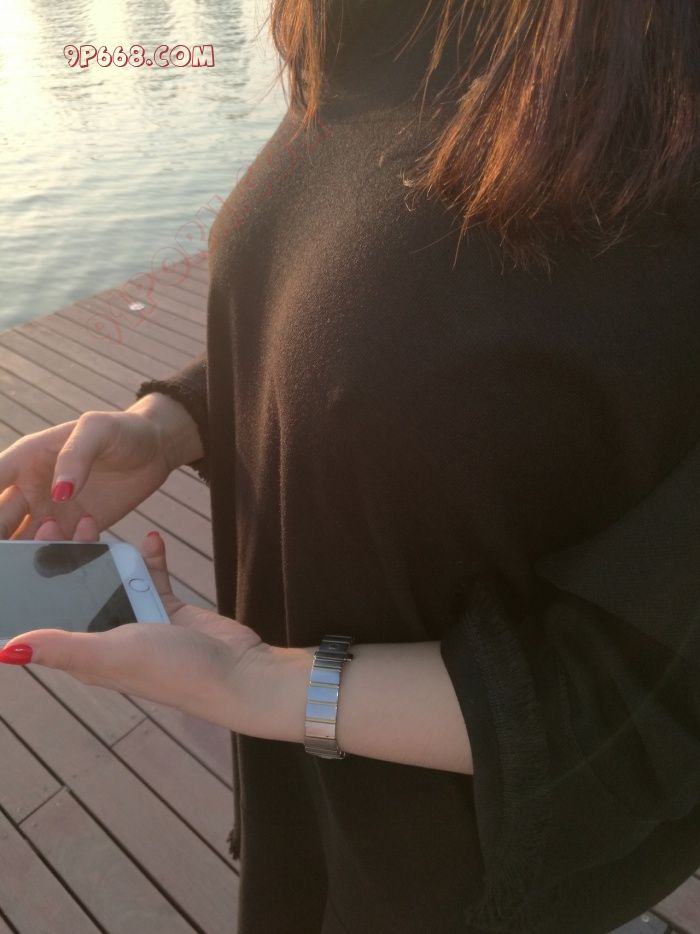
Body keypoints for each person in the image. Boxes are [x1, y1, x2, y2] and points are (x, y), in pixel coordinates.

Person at [1, 1, 700, 931]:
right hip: (303, 797)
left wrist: (259, 685)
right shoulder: (366, 21)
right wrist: (175, 421)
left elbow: (660, 699)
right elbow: (365, 303)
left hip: (459, 871)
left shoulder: (660, 85)